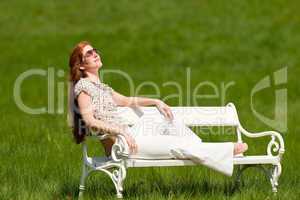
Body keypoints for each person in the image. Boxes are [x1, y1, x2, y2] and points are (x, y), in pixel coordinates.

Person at [68, 41, 248, 176]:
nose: (95, 54)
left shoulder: (103, 87)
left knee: (167, 117)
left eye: (95, 50)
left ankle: (204, 149)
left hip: (130, 136)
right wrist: (121, 131)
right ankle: (223, 150)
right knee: (174, 144)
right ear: (82, 65)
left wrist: (156, 101)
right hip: (119, 146)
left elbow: (127, 100)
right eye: (89, 53)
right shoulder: (83, 87)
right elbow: (90, 121)